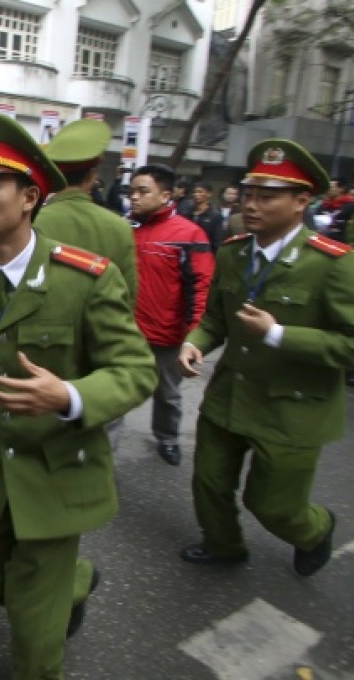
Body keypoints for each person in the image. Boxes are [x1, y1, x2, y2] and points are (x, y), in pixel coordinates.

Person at [0, 112, 155, 679]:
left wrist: (69, 395)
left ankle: (49, 611)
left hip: (58, 471)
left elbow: (135, 369)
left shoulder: (83, 278)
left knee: (32, 633)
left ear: (29, 197)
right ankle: (72, 582)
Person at [178, 138, 351, 577]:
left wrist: (277, 334)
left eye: (266, 197)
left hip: (291, 406)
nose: (251, 205)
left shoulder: (332, 264)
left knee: (272, 504)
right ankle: (223, 545)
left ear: (301, 202)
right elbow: (216, 318)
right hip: (231, 395)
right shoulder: (234, 252)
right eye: (249, 194)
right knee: (209, 482)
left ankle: (314, 530)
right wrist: (195, 341)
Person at [130, 164, 214, 466]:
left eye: (143, 191)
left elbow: (201, 287)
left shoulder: (189, 234)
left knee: (167, 394)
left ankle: (167, 438)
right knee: (114, 388)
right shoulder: (125, 230)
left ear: (166, 195)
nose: (134, 198)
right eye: (131, 192)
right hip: (127, 332)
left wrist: (193, 336)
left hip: (166, 335)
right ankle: (103, 447)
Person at [35, 119, 138, 304]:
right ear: (92, 177)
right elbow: (128, 296)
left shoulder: (32, 223)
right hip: (102, 328)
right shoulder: (120, 227)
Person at [189, 180, 226, 251]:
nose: (196, 195)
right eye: (194, 192)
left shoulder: (215, 215)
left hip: (205, 252)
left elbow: (217, 241)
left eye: (200, 192)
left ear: (209, 194)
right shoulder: (187, 212)